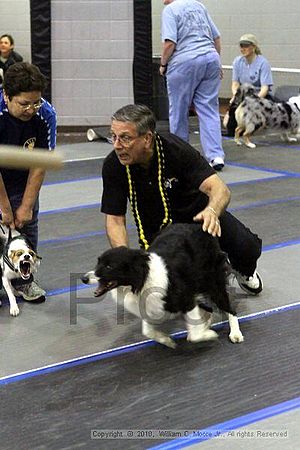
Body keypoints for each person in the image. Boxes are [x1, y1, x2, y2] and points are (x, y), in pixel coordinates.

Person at [101, 104, 263, 296]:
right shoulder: (114, 165)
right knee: (175, 288)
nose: (117, 145)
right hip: (160, 230)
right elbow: (115, 220)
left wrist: (212, 211)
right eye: (114, 136)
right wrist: (124, 261)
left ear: (147, 138)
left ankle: (241, 270)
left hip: (200, 217)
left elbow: (220, 189)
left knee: (247, 247)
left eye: (125, 138)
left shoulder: (175, 150)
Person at [0, 62, 57, 301]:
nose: (31, 109)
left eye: (35, 102)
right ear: (6, 96)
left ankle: (25, 281)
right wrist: (4, 207)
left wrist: (25, 206)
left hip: (22, 177)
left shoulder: (45, 114)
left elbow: (39, 163)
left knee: (26, 229)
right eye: (24, 104)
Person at [159, 0, 225, 171]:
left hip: (184, 62)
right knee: (209, 109)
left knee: (179, 110)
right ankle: (216, 156)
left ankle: (181, 156)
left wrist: (163, 64)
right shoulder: (199, 5)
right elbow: (216, 37)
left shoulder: (170, 10)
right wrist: (218, 64)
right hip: (210, 58)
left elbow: (170, 43)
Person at [225, 33, 273, 137]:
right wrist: (235, 95)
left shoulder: (263, 63)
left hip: (259, 95)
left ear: (254, 47)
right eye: (241, 46)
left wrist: (255, 100)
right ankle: (231, 131)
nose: (243, 48)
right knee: (232, 109)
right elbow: (235, 83)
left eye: (246, 46)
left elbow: (265, 88)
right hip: (244, 94)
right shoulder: (237, 62)